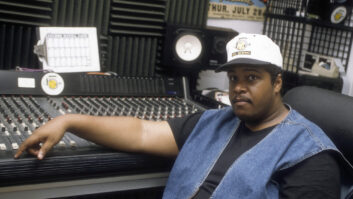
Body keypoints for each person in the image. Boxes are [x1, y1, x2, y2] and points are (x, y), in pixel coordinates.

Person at [15, 33, 346, 198]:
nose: (239, 88)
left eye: (252, 77)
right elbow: (141, 132)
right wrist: (68, 121)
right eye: (233, 78)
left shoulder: (311, 157)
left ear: (277, 83)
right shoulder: (214, 121)